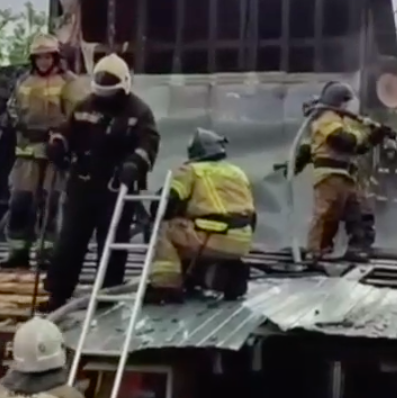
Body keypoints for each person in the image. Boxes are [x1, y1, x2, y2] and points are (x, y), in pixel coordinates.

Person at [41, 54, 161, 312]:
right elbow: (67, 130)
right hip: (82, 184)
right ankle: (58, 292)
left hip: (116, 187)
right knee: (70, 240)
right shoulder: (85, 106)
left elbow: (148, 144)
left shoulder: (138, 112)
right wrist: (57, 144)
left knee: (111, 243)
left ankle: (107, 296)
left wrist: (134, 165)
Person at [146, 128, 256, 303]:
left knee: (163, 227)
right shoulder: (237, 172)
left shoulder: (191, 170)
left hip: (210, 237)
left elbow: (167, 203)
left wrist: (157, 210)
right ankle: (220, 273)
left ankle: (165, 287)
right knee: (191, 227)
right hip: (243, 238)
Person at [294, 81, 395, 262]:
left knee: (360, 211)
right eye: (346, 102)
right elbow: (343, 142)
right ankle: (315, 250)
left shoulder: (342, 122)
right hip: (328, 174)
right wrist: (366, 134)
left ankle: (359, 247)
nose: (349, 107)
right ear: (338, 101)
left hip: (347, 176)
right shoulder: (326, 119)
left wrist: (376, 136)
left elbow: (359, 147)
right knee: (325, 214)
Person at [0, 33, 75, 269]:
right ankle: (18, 252)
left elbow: (77, 117)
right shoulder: (24, 82)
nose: (43, 62)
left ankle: (48, 252)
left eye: (47, 57)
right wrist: (6, 119)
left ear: (55, 57)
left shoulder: (69, 82)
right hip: (27, 151)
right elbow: (13, 108)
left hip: (55, 151)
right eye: (39, 57)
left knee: (51, 202)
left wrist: (64, 141)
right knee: (20, 201)